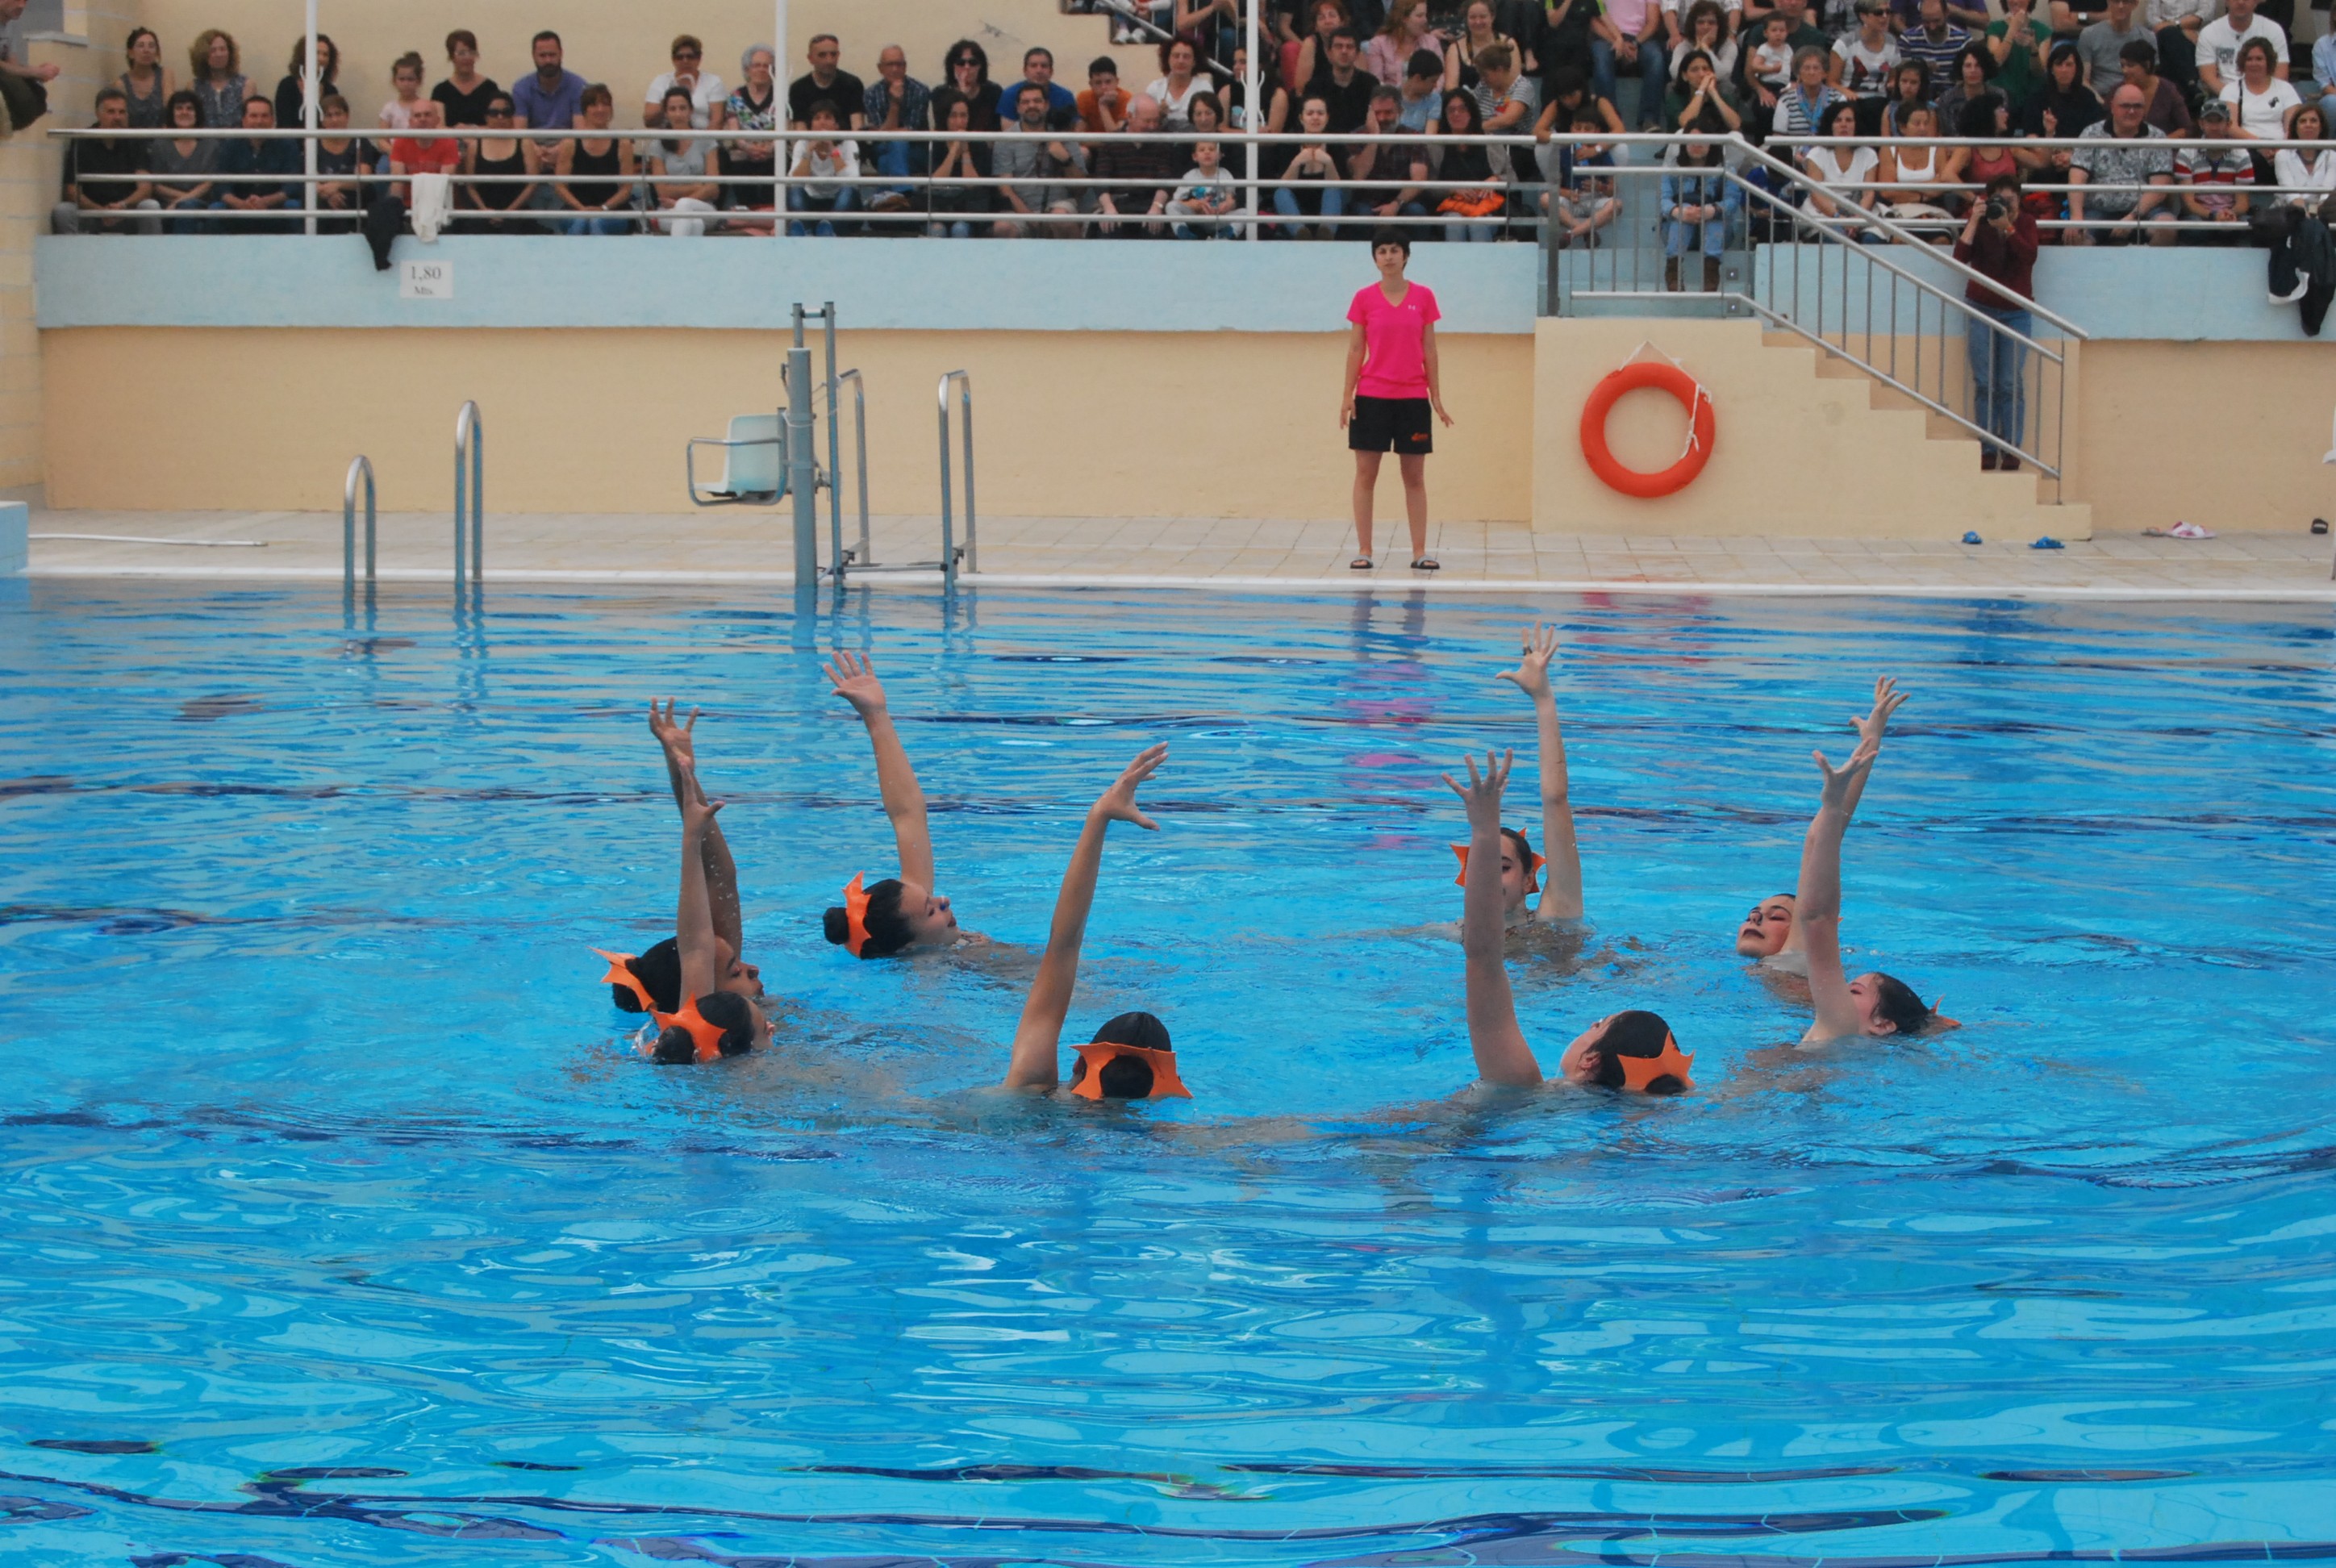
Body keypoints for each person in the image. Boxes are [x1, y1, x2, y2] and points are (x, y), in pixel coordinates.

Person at [1445, 749, 1692, 1095]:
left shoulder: (1521, 1086)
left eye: (1599, 1025)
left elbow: (1483, 956)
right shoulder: (1642, 1107)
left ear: (1590, 1061)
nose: (1590, 1023)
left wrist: (1484, 830)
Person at [997, 747, 1184, 1103]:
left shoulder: (1031, 1089)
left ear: (1079, 1064)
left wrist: (1098, 816)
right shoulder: (1177, 1134)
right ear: (1165, 1085)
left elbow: (1064, 944)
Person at [1792, 680, 1946, 1047]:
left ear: (1882, 1024)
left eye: (1854, 991)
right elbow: (1817, 842)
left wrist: (1833, 805)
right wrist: (1868, 747)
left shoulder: (1841, 1025)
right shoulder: (1841, 1036)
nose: (1835, 986)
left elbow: (1819, 918)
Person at [822, 652, 990, 958]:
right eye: (931, 910)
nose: (944, 901)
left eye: (931, 900)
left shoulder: (924, 932)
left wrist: (876, 716)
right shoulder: (934, 976)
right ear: (909, 947)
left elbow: (908, 814)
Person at [625, 738, 771, 1067]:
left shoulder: (727, 1030)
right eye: (735, 971)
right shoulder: (717, 1030)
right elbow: (696, 950)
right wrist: (690, 840)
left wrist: (684, 777)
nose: (753, 968)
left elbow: (722, 880)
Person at [1341, 229, 1454, 571]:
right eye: (1382, 251)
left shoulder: (1424, 296)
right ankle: (1364, 550)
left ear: (1406, 256)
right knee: (1366, 474)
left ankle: (1420, 551)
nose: (1388, 256)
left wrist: (1435, 395)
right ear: (1375, 259)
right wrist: (1347, 395)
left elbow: (1430, 349)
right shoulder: (1364, 298)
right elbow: (1356, 349)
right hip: (1371, 396)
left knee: (1414, 477)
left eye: (1394, 250)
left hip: (1412, 399)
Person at [1950, 174, 2040, 466]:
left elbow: (2028, 257)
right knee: (1984, 382)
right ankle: (1988, 447)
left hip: (2016, 312)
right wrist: (1975, 219)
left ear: (2019, 200)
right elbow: (1959, 258)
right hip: (1981, 308)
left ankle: (2012, 448)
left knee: (2010, 383)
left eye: (2011, 201)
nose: (2006, 206)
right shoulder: (1982, 221)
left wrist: (2008, 228)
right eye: (2000, 201)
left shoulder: (2026, 223)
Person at [2069, 81, 2176, 243]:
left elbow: (2160, 187)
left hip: (2144, 210)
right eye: (2125, 106)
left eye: (2137, 106)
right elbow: (2077, 178)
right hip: (2098, 210)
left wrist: (2133, 216)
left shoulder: (2158, 137)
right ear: (2112, 107)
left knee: (2167, 227)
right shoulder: (2091, 133)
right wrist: (2076, 217)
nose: (2132, 111)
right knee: (2076, 237)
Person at [52, 86, 159, 235]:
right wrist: (101, 211)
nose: (117, 117)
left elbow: (145, 188)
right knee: (63, 211)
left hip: (127, 213)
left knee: (150, 206)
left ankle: (151, 251)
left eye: (122, 112)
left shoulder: (135, 140)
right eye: (111, 112)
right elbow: (71, 191)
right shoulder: (82, 141)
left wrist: (122, 206)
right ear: (98, 114)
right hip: (93, 213)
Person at [993, 82, 1085, 238]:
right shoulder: (1005, 140)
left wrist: (1066, 160)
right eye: (1026, 102)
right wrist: (1031, 218)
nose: (1032, 106)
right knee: (1003, 228)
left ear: (1047, 105)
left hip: (1059, 205)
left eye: (1037, 101)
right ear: (1018, 108)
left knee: (1061, 219)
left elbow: (1081, 189)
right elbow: (1005, 189)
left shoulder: (1063, 135)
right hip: (1019, 209)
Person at [553, 83, 636, 236]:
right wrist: (582, 210)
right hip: (575, 209)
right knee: (581, 222)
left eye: (605, 104)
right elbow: (560, 186)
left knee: (597, 222)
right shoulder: (570, 143)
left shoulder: (623, 143)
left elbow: (626, 188)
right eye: (594, 105)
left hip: (613, 210)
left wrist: (603, 209)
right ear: (585, 110)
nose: (600, 109)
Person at [214, 95, 299, 231]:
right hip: (238, 207)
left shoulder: (287, 144)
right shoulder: (230, 145)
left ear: (273, 120)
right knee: (216, 209)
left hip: (275, 207)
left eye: (265, 116)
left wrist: (266, 201)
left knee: (294, 206)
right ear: (244, 121)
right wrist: (241, 204)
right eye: (253, 116)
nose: (259, 121)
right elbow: (221, 186)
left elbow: (292, 185)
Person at [863, 44, 931, 215]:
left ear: (905, 67)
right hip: (882, 148)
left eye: (899, 64)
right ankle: (904, 194)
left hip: (915, 151)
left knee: (891, 154)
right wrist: (895, 103)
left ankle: (884, 205)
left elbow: (911, 131)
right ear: (880, 68)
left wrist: (887, 133)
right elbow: (881, 138)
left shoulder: (920, 91)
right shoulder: (871, 94)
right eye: (890, 64)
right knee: (893, 145)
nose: (895, 69)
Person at [511, 31, 587, 178]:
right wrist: (536, 152)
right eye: (542, 55)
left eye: (552, 55)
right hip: (533, 149)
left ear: (561, 54)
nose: (548, 60)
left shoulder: (579, 86)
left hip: (568, 148)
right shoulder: (521, 87)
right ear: (533, 56)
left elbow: (580, 131)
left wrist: (559, 151)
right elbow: (519, 132)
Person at [1351, 85, 1433, 223]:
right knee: (1361, 214)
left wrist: (1396, 204)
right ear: (1370, 113)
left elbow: (1419, 180)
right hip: (1367, 202)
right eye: (1377, 113)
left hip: (1402, 201)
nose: (1382, 118)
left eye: (1388, 112)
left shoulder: (1414, 137)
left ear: (1400, 111)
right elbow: (1358, 176)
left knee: (1416, 211)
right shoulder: (1356, 137)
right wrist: (1374, 137)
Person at [1878, 100, 1963, 231]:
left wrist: (1904, 188)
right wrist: (1923, 196)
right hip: (1897, 209)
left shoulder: (1938, 147)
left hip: (1933, 209)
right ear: (1902, 127)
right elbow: (1888, 192)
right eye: (1917, 124)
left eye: (1926, 123)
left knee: (1940, 239)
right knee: (1898, 239)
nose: (1923, 128)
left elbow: (1941, 186)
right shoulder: (1889, 149)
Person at [459, 94, 538, 232]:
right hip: (483, 211)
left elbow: (532, 184)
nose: (500, 117)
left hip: (517, 211)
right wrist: (484, 211)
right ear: (486, 117)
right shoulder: (475, 146)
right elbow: (470, 186)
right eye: (494, 113)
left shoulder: (525, 143)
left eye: (506, 113)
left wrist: (508, 212)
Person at [2177, 98, 2255, 239]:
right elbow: (2188, 204)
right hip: (2198, 215)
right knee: (2195, 228)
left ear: (2228, 124)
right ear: (2201, 124)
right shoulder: (2186, 152)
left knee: (2247, 225)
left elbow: (2243, 203)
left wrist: (2229, 214)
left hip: (2230, 214)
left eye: (2219, 121)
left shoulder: (2241, 154)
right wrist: (2214, 216)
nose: (2214, 127)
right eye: (2209, 121)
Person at [723, 46, 781, 235]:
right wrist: (748, 148)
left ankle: (746, 222)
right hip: (744, 153)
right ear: (747, 69)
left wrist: (769, 148)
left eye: (767, 66)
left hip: (772, 152)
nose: (762, 70)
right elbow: (734, 131)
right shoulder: (735, 96)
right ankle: (760, 221)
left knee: (779, 163)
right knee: (737, 163)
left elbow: (785, 128)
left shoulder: (781, 96)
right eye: (757, 65)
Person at [647, 85, 720, 236]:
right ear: (666, 113)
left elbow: (713, 188)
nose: (678, 114)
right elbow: (662, 190)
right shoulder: (658, 144)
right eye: (672, 109)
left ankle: (676, 252)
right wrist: (697, 186)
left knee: (685, 206)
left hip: (703, 207)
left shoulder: (706, 140)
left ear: (691, 111)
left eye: (683, 108)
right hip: (668, 210)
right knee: (695, 223)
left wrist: (679, 203)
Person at [1275, 94, 1350, 236]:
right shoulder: (1288, 144)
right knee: (1280, 193)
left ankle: (1326, 234)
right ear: (1301, 118)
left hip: (1330, 207)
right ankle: (1301, 235)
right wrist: (1296, 163)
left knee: (1333, 190)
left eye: (1320, 113)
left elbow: (1340, 188)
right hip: (1298, 206)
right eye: (1310, 113)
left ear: (1327, 117)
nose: (1315, 117)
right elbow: (1283, 186)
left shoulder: (1337, 144)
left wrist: (1329, 163)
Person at [1804, 98, 1879, 235]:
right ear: (1830, 125)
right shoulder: (1816, 154)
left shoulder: (1869, 154)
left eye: (1849, 120)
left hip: (1859, 213)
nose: (1844, 124)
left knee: (1872, 237)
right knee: (1836, 234)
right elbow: (1816, 195)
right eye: (1838, 120)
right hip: (1823, 213)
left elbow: (1868, 194)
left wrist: (1856, 220)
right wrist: (1840, 219)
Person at [1548, 106, 1621, 245]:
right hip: (1572, 200)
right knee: (1546, 199)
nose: (1582, 133)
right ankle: (1586, 231)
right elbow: (1553, 187)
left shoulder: (1603, 153)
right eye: (1578, 128)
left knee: (1616, 205)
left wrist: (1600, 187)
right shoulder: (1563, 153)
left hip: (1595, 199)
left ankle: (1572, 234)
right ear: (1571, 129)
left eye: (1587, 129)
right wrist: (1567, 193)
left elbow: (1613, 190)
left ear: (1597, 131)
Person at [787, 101, 861, 236]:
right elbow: (795, 181)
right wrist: (808, 153)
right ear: (811, 125)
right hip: (812, 201)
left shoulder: (849, 143)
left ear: (837, 125)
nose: (822, 122)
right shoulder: (802, 144)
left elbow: (852, 180)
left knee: (848, 191)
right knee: (795, 191)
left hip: (840, 202)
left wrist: (832, 150)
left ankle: (830, 231)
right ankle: (806, 231)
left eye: (828, 117)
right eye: (817, 118)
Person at [925, 90, 993, 236]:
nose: (959, 121)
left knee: (960, 229)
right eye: (953, 116)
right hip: (940, 206)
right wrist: (954, 149)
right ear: (945, 117)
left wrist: (965, 151)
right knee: (937, 229)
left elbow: (973, 185)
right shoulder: (935, 144)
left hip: (968, 208)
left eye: (964, 116)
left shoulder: (979, 144)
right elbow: (936, 182)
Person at [1594, 0, 1671, 127]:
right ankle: (1609, 120)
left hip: (1641, 38)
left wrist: (1635, 43)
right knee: (1601, 59)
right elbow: (1594, 20)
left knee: (1656, 59)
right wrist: (1617, 40)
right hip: (1607, 37)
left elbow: (1653, 22)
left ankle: (1649, 119)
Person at [148, 89, 217, 231]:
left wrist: (181, 202)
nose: (184, 112)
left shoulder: (210, 143)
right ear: (171, 113)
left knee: (188, 207)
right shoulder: (160, 144)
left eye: (190, 108)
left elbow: (208, 183)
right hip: (167, 205)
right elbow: (157, 185)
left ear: (197, 113)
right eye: (179, 108)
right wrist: (181, 201)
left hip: (202, 203)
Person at [2196, 0, 2288, 98]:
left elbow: (2281, 74)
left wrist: (2260, 99)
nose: (2241, 2)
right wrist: (2237, 99)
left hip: (2266, 97)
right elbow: (2208, 78)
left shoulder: (2273, 30)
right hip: (2223, 97)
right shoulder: (2209, 32)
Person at [645, 33, 724, 130]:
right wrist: (665, 103)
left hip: (703, 136)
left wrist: (700, 139)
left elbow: (717, 121)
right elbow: (649, 121)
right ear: (673, 59)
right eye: (679, 57)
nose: (685, 61)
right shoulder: (661, 82)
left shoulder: (713, 82)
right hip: (667, 136)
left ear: (699, 58)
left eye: (690, 57)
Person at [1772, 45, 1845, 148]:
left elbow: (1844, 135)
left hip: (1828, 153)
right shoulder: (1786, 101)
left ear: (1824, 73)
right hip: (1794, 153)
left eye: (1816, 68)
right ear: (1799, 74)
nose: (1812, 72)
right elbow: (1779, 137)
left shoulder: (1838, 99)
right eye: (1806, 68)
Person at [1987, 0, 2053, 111]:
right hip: (2002, 98)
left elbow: (2039, 72)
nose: (2015, 1)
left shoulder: (2043, 31)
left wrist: (2033, 47)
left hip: (2032, 99)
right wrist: (2012, 29)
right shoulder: (1995, 28)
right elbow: (1996, 61)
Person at [1166, 137, 1241, 236]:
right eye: (1202, 150)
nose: (1207, 152)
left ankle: (1225, 237)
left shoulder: (1225, 174)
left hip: (1219, 217)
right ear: (1195, 156)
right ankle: (1185, 235)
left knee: (1245, 212)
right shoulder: (1190, 176)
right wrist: (1192, 204)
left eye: (1212, 149)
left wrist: (1227, 205)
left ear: (1219, 155)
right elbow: (1177, 200)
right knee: (1171, 206)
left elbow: (1230, 198)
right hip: (1197, 217)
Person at [789, 32, 864, 129]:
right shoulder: (799, 88)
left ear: (838, 55)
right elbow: (800, 130)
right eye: (822, 55)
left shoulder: (852, 84)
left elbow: (857, 128)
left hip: (846, 138)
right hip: (810, 139)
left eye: (833, 54)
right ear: (810, 58)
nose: (829, 60)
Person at [2076, 0, 2154, 94]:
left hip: (2134, 95)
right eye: (2116, 1)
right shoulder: (2089, 34)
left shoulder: (2147, 37)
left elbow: (2151, 79)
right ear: (2109, 2)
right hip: (2100, 94)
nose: (2120, 6)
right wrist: (2099, 100)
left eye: (2126, 2)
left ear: (2135, 4)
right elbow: (2084, 81)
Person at [2119, 39, 2192, 138]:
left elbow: (2186, 128)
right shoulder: (2117, 91)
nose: (2125, 71)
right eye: (2122, 66)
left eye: (2130, 65)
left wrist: (2161, 143)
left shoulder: (2169, 91)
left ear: (2147, 65)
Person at [312, 94, 364, 230]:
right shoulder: (313, 144)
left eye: (338, 114)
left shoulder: (360, 141)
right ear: (322, 120)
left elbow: (364, 177)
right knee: (316, 199)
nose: (334, 120)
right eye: (329, 115)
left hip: (352, 197)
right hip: (323, 198)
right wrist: (329, 194)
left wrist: (337, 185)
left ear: (347, 116)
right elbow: (311, 177)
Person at [1897, 0, 1973, 90]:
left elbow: (1966, 82)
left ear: (1946, 13)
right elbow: (1904, 80)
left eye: (1936, 21)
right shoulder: (1907, 40)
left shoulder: (1963, 41)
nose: (1932, 27)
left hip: (1953, 94)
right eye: (1926, 22)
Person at [273, 33, 339, 133]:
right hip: (290, 141)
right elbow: (284, 123)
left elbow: (332, 125)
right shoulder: (287, 85)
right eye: (316, 53)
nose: (321, 59)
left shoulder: (331, 90)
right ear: (303, 55)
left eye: (325, 55)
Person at [2272, 101, 2336, 204]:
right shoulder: (2282, 156)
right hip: (2289, 210)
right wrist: (2309, 213)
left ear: (2321, 127)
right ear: (2295, 127)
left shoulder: (2332, 156)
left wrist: (2314, 212)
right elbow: (2292, 196)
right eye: (2303, 121)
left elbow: (2326, 196)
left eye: (2313, 121)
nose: (2308, 125)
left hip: (2322, 210)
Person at [432, 30, 498, 127]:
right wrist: (456, 131)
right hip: (451, 138)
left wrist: (473, 129)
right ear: (451, 56)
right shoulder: (440, 91)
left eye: (471, 52)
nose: (467, 57)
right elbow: (438, 128)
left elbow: (497, 125)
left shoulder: (490, 88)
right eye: (461, 53)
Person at [941, 39, 1003, 133]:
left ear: (980, 66)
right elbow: (942, 130)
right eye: (961, 63)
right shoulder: (941, 93)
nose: (967, 67)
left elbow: (996, 131)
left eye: (973, 63)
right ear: (952, 66)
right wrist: (961, 95)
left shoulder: (993, 92)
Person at [1372, 0, 1442, 84]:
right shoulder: (1378, 44)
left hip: (1427, 92)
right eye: (1419, 16)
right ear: (1404, 18)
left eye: (1425, 15)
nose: (1425, 20)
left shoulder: (1432, 43)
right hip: (1390, 92)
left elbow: (1439, 79)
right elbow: (1377, 82)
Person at [187, 28, 246, 127]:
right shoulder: (193, 86)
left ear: (230, 53)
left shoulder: (245, 85)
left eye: (223, 49)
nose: (219, 54)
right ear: (203, 55)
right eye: (213, 50)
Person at [119, 27, 173, 130]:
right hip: (132, 137)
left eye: (151, 46)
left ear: (157, 52)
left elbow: (170, 112)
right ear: (131, 53)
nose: (146, 50)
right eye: (141, 46)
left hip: (162, 136)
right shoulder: (121, 84)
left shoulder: (165, 75)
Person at [1078, 54, 1138, 131]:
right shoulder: (1084, 98)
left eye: (1108, 82)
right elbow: (1078, 134)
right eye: (1098, 83)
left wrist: (1103, 106)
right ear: (1091, 84)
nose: (1104, 87)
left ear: (1117, 82)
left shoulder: (1126, 99)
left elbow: (1117, 136)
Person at [1018, 45, 1079, 116]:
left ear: (1051, 71)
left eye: (1044, 66)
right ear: (1025, 71)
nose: (1039, 71)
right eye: (1033, 66)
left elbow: (1076, 122)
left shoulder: (1065, 97)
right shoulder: (1010, 95)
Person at [1881, 59, 1933, 133]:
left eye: (1913, 82)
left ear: (1921, 85)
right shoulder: (1889, 109)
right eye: (1904, 81)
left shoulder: (1930, 110)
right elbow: (1885, 139)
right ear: (1898, 83)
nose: (1908, 86)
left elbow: (1931, 138)